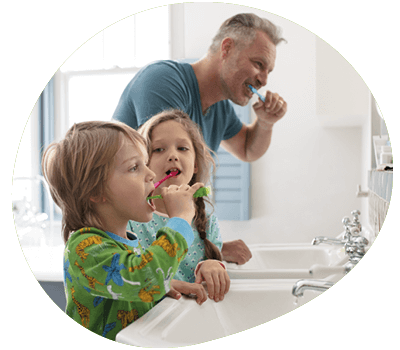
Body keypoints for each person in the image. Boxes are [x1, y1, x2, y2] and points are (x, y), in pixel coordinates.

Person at [113, 13, 288, 264]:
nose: (264, 80)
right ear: (226, 48)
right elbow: (164, 189)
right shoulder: (163, 81)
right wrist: (209, 247)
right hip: (124, 242)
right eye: (258, 64)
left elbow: (248, 150)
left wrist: (266, 123)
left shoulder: (219, 108)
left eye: (268, 71)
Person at [41, 120, 216, 340]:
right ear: (96, 192)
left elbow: (129, 286)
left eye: (145, 163)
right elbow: (144, 276)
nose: (151, 174)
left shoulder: (127, 242)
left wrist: (163, 285)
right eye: (134, 167)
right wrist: (180, 219)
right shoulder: (85, 249)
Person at [128, 109, 230, 305]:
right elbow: (135, 278)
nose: (173, 156)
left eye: (182, 148)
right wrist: (164, 285)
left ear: (196, 165)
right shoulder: (132, 221)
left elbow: (213, 263)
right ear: (143, 165)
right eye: (159, 149)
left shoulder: (207, 222)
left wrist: (212, 265)